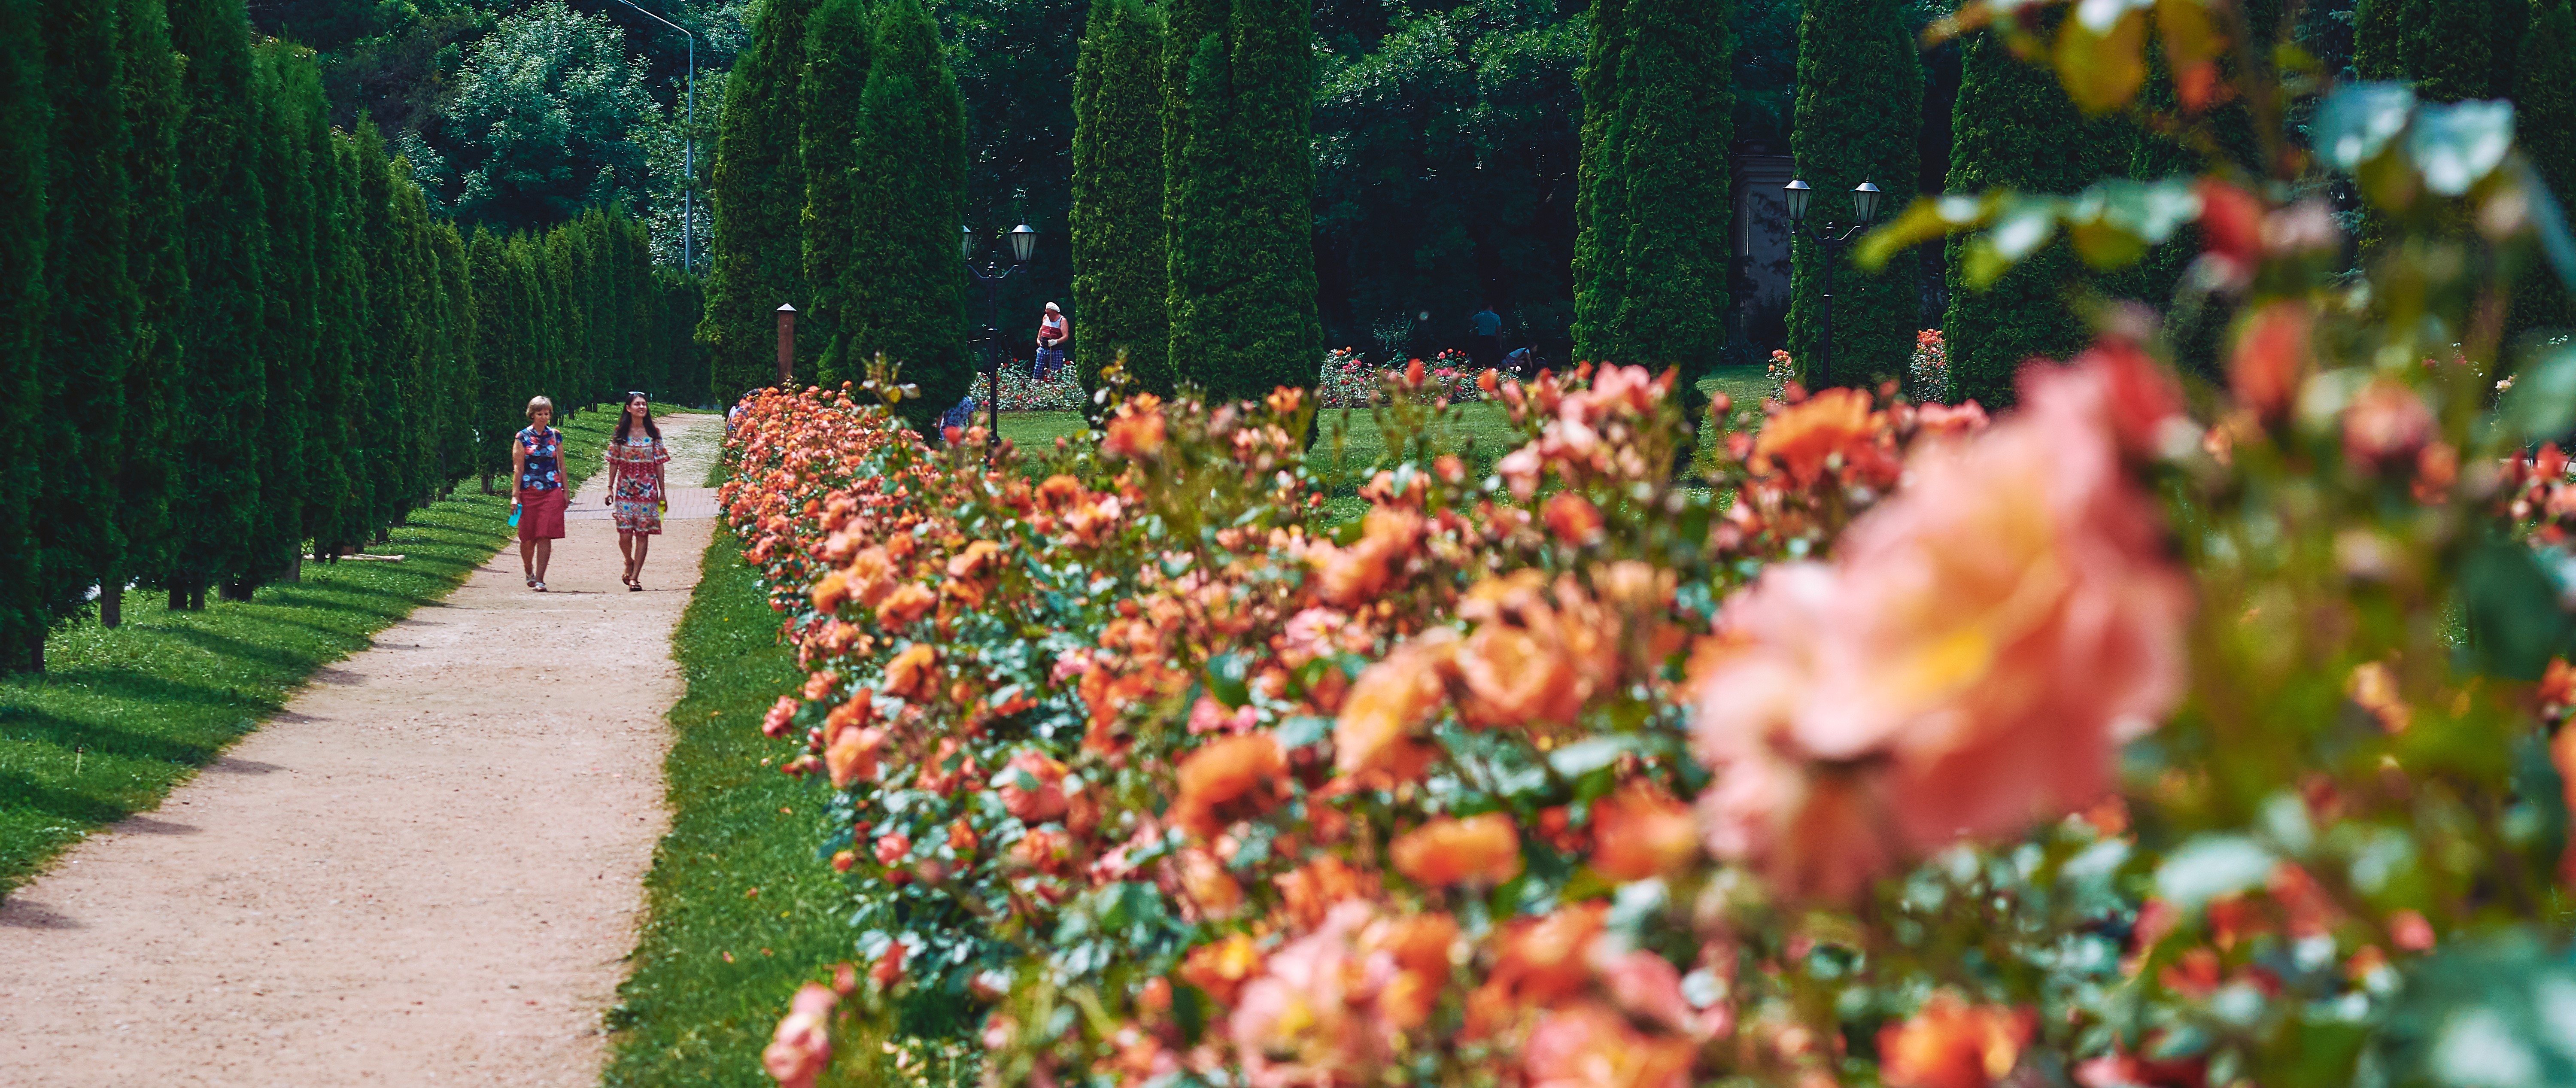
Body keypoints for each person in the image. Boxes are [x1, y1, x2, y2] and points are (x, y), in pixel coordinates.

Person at [606, 392, 671, 591]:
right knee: (625, 535)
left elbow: (660, 464)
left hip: (648, 491)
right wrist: (609, 488)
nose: (642, 407)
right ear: (628, 408)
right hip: (625, 490)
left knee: (643, 535)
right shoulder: (620, 433)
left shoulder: (653, 433)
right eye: (637, 404)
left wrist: (662, 492)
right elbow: (614, 462)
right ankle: (629, 561)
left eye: (644, 404)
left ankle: (635, 578)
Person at [511, 396, 568, 591]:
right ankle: (529, 569)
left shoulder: (555, 435)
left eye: (547, 414)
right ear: (532, 414)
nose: (544, 417)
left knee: (545, 535)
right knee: (528, 539)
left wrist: (565, 491)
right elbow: (518, 468)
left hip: (551, 490)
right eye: (540, 414)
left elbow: (561, 465)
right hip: (528, 492)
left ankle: (541, 579)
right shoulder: (522, 437)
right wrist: (515, 495)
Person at [1034, 302, 1069, 379]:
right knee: (1038, 371)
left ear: (1054, 312)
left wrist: (1056, 341)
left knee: (1055, 373)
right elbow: (1042, 328)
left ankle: (1054, 389)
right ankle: (1035, 386)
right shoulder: (1046, 317)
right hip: (1043, 349)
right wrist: (1038, 339)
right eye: (1046, 313)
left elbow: (1066, 336)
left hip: (1056, 351)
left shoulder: (1062, 321)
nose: (1048, 315)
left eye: (1049, 313)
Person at [1470, 303, 1504, 371]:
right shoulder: (1496, 317)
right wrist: (1500, 343)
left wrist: (1471, 315)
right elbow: (1499, 332)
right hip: (1492, 339)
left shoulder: (1479, 316)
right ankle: (1510, 369)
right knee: (1500, 356)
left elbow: (1471, 321)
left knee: (1473, 354)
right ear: (1490, 307)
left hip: (1482, 338)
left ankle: (1464, 368)